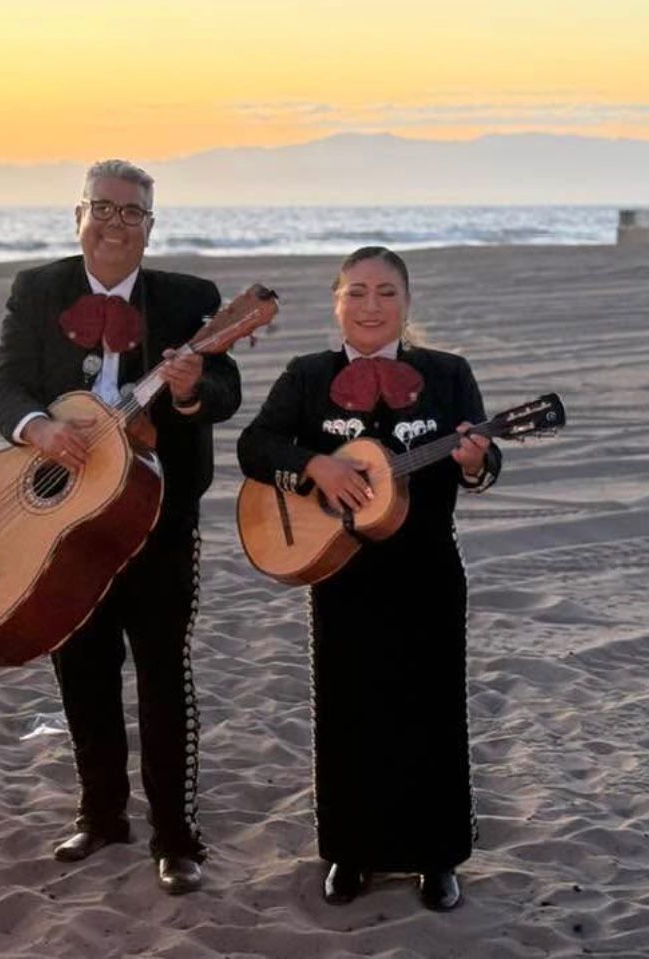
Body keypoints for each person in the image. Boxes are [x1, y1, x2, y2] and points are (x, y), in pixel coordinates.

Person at [0, 159, 241, 894]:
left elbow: (226, 391)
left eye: (132, 213)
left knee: (162, 671)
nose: (115, 224)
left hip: (158, 515)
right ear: (78, 216)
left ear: (150, 228)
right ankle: (101, 814)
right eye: (103, 208)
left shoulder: (193, 299)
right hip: (65, 514)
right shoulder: (38, 289)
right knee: (82, 669)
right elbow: (6, 382)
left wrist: (191, 394)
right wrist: (36, 428)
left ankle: (175, 835)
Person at [236, 246, 500, 911]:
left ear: (407, 303)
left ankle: (435, 855)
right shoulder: (307, 376)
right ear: (336, 302)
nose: (372, 305)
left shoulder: (447, 374)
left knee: (433, 711)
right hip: (341, 571)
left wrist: (473, 461)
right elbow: (255, 444)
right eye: (357, 292)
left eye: (386, 292)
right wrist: (315, 466)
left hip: (427, 569)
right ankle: (348, 853)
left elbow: (483, 462)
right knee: (347, 713)